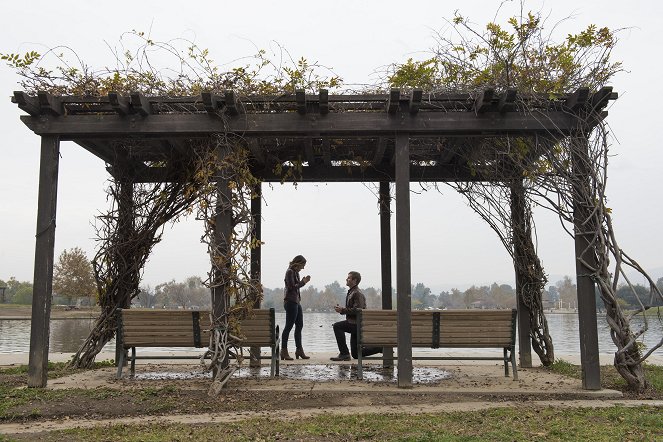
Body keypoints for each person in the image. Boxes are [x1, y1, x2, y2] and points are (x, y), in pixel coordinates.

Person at [330, 271, 381, 361]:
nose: (346, 279)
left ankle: (344, 353)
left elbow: (358, 310)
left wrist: (343, 310)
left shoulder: (357, 293)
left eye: (349, 278)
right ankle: (380, 348)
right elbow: (353, 309)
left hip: (356, 324)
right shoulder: (352, 292)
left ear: (354, 280)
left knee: (337, 326)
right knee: (356, 354)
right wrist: (342, 310)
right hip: (354, 323)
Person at [281, 255, 311, 361]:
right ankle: (283, 351)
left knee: (299, 325)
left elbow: (295, 287)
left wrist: (302, 282)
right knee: (288, 326)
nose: (303, 268)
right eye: (303, 265)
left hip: (296, 302)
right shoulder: (289, 272)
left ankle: (299, 350)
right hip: (290, 302)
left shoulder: (296, 273)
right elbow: (291, 287)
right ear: (298, 263)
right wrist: (303, 282)